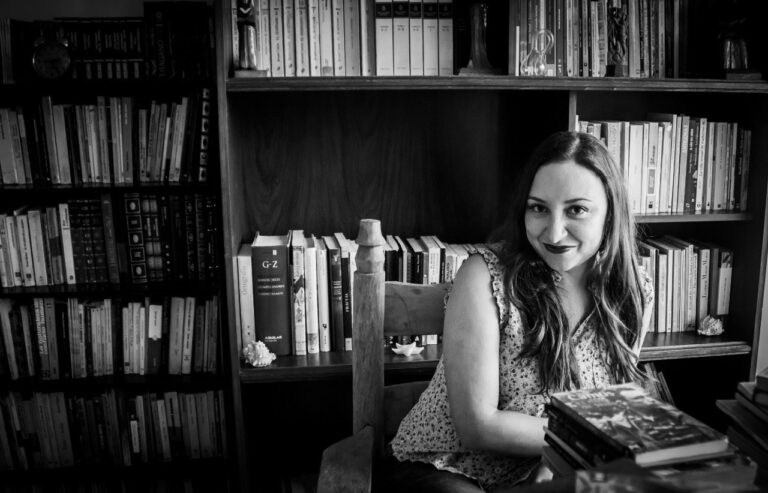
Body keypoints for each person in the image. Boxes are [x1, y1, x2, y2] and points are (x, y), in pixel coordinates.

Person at [382, 131, 654, 492]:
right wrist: (588, 443)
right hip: (448, 467)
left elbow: (607, 409)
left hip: (551, 465)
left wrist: (557, 460)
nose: (554, 232)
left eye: (577, 209)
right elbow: (478, 425)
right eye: (538, 207)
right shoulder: (484, 275)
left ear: (611, 213)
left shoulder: (632, 293)